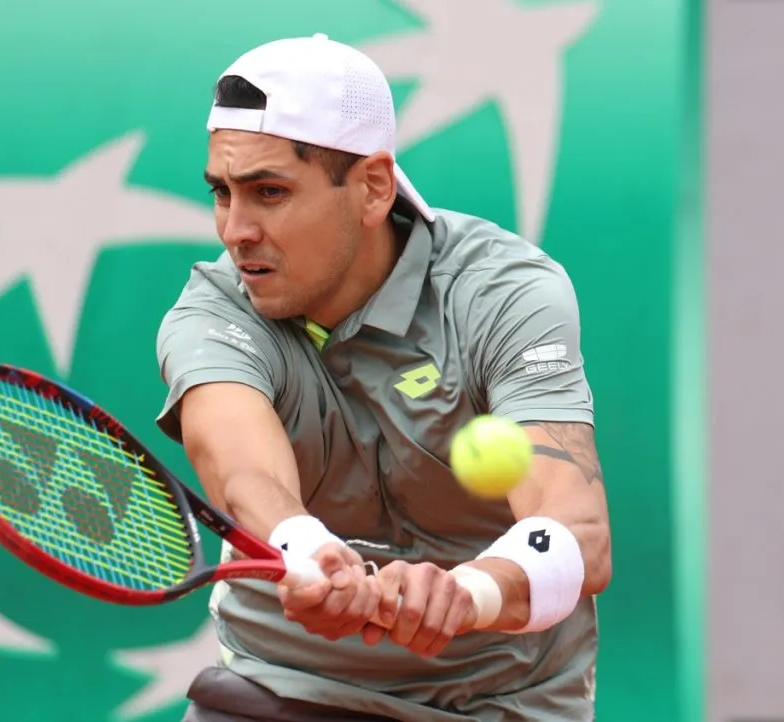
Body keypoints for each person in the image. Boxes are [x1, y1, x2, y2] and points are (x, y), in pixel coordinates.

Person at [154, 32, 613, 722]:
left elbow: (577, 530)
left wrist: (469, 594)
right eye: (222, 192)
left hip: (498, 702)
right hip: (280, 692)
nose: (235, 229)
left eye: (269, 192)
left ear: (372, 188)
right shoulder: (216, 310)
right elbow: (244, 470)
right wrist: (307, 550)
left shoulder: (504, 293)